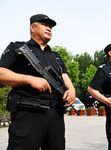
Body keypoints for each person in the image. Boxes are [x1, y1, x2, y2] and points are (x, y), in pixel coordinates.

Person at [0, 14, 76, 150]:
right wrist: (29, 79)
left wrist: (71, 90)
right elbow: (1, 73)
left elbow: (64, 76)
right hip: (28, 114)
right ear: (32, 27)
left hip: (56, 115)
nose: (49, 28)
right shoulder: (17, 48)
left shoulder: (55, 55)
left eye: (50, 26)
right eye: (45, 25)